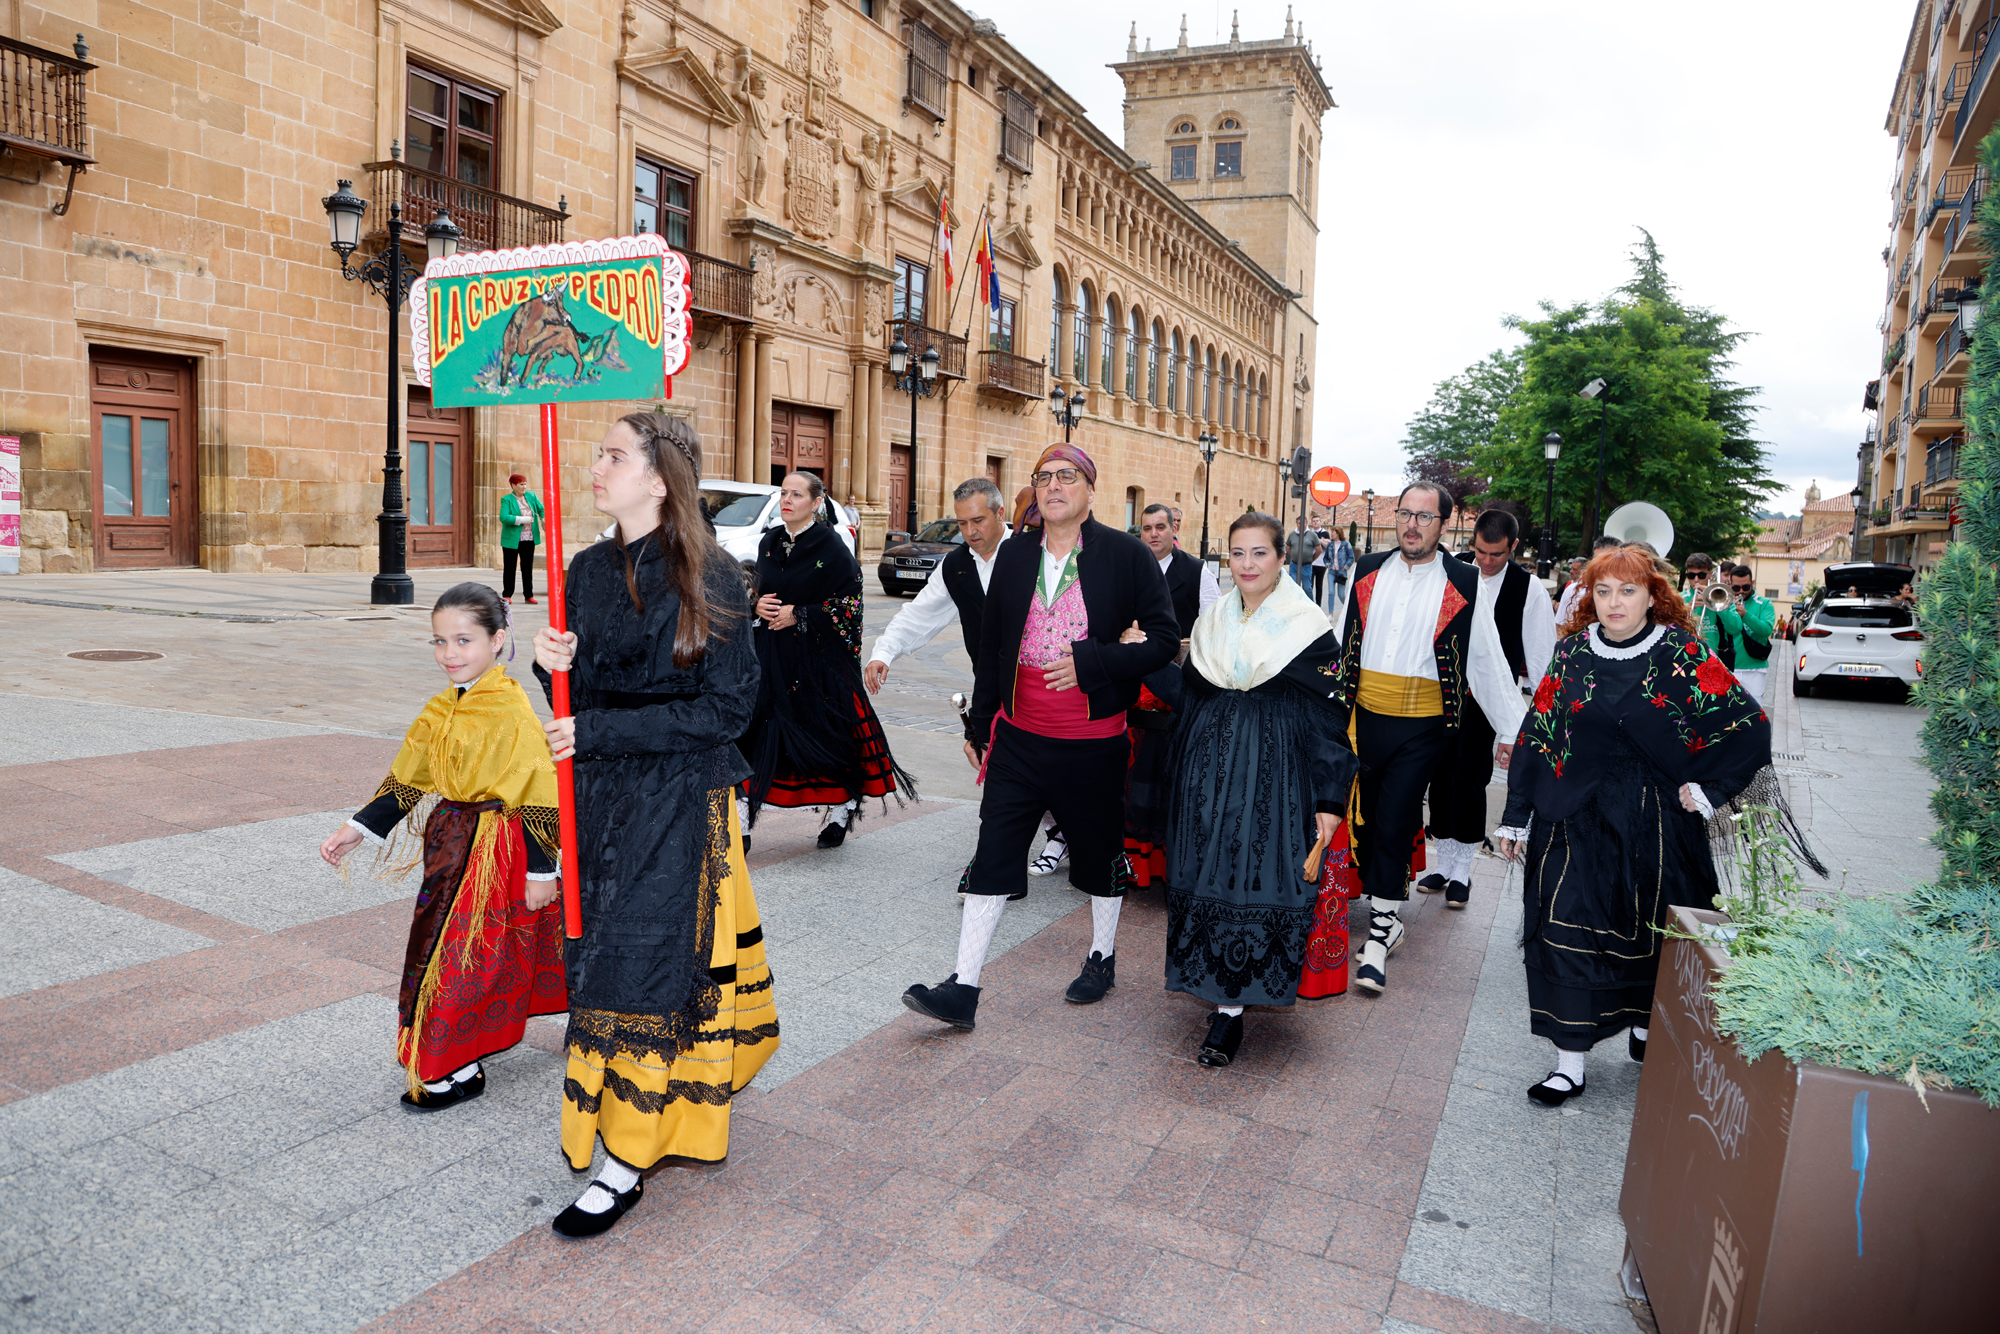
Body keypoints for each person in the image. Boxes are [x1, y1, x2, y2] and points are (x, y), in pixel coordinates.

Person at [531, 411, 778, 1238]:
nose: (595, 465)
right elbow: (583, 701)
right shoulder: (587, 567)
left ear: (660, 477)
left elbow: (729, 708)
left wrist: (601, 729)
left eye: (613, 455)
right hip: (601, 799)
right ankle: (615, 1126)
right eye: (597, 453)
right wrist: (551, 669)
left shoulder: (712, 576)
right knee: (598, 958)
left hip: (679, 797)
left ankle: (626, 1159)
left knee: (645, 966)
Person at [901, 443, 1179, 1029]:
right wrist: (980, 723)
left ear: (1089, 490)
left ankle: (1101, 956)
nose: (1054, 486)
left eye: (1068, 476)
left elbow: (1161, 640)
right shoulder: (1013, 554)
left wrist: (1095, 664)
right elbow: (993, 647)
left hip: (1092, 738)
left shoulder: (1126, 556)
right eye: (1045, 477)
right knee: (995, 852)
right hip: (1019, 736)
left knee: (1102, 851)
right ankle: (963, 987)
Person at [1494, 545, 1771, 1106]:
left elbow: (1746, 724)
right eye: (1602, 591)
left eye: (1627, 591)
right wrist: (1517, 817)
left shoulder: (1682, 652)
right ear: (1587, 596)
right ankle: (1569, 1064)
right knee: (1564, 929)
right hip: (1574, 820)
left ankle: (1645, 1028)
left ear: (1652, 596)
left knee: (1653, 934)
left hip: (1659, 827)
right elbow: (1539, 734)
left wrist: (1711, 790)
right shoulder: (1571, 654)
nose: (1614, 602)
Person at [319, 582, 567, 1111]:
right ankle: (461, 1058)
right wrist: (356, 829)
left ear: (498, 640)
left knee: (463, 953)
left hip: (494, 850)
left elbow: (538, 789)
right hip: (451, 842)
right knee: (438, 944)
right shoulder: (441, 708)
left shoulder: (510, 708)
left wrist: (542, 871)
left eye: (463, 641)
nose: (449, 654)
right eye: (439, 642)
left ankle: (454, 1059)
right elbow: (410, 777)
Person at [1153, 512, 1356, 1066]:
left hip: (1274, 775)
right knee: (1207, 873)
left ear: (1281, 559)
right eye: (1237, 554)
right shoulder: (1214, 620)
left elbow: (1329, 721)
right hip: (1207, 773)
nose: (1247, 565)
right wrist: (1143, 659)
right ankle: (1219, 997)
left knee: (1255, 877)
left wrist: (1329, 798)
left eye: (1259, 554)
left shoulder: (1308, 627)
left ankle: (1231, 1013)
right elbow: (1191, 697)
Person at [1330, 482, 1526, 997]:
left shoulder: (1464, 580)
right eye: (1405, 515)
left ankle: (1378, 936)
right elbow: (1342, 638)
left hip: (1425, 723)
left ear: (1444, 524)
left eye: (1425, 517)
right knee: (1367, 817)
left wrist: (1513, 728)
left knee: (1396, 815)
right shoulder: (1365, 569)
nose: (1412, 525)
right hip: (1363, 716)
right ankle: (1388, 915)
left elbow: (1485, 659)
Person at [744, 470, 914, 848]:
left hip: (816, 662)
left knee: (829, 737)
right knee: (756, 731)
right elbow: (757, 588)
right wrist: (755, 604)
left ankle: (841, 811)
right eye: (783, 493)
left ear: (816, 502)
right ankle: (742, 821)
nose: (787, 500)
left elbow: (850, 605)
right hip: (770, 656)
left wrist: (800, 614)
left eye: (797, 495)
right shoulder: (769, 542)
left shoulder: (832, 547)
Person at [1420, 509, 1556, 907]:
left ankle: (1464, 870)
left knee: (1471, 779)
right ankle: (1443, 863)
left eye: (1496, 554)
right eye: (1479, 551)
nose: (1486, 561)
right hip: (1441, 694)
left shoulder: (1528, 590)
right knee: (1439, 778)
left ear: (1513, 547)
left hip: (1487, 704)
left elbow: (1542, 661)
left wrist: (1519, 730)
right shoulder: (1453, 571)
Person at [1124, 503, 1221, 888]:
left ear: (1173, 528)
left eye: (1160, 527)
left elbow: (1215, 629)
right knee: (1134, 780)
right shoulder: (1130, 569)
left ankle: (1171, 868)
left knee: (1170, 783)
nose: (1153, 534)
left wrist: (1184, 648)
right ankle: (1134, 865)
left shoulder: (1197, 572)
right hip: (1135, 691)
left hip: (1180, 693)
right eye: (1146, 528)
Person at [1713, 564, 1776, 705]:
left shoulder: (1764, 604)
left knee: (1754, 714)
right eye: (1736, 588)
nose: (1741, 591)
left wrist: (1746, 616)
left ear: (1752, 583)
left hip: (1754, 669)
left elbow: (1767, 630)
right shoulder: (1723, 602)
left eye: (1746, 587)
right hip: (1728, 667)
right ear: (1730, 584)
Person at [501, 474, 545, 604]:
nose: (524, 487)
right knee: (510, 567)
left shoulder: (531, 496)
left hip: (529, 538)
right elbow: (503, 517)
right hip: (511, 540)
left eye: (525, 484)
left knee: (527, 567)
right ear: (513, 486)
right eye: (521, 484)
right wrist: (522, 520)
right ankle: (507, 594)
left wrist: (543, 519)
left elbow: (541, 509)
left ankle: (528, 595)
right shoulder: (506, 499)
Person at [1309, 524, 1331, 606]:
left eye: (1317, 521)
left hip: (1321, 563)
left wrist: (1318, 540)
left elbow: (1328, 545)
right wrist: (1321, 541)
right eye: (1314, 521)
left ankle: (1318, 604)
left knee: (1319, 585)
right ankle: (1310, 603)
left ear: (1320, 522)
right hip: (1311, 562)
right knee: (1310, 585)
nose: (1315, 522)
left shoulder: (1325, 533)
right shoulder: (1310, 532)